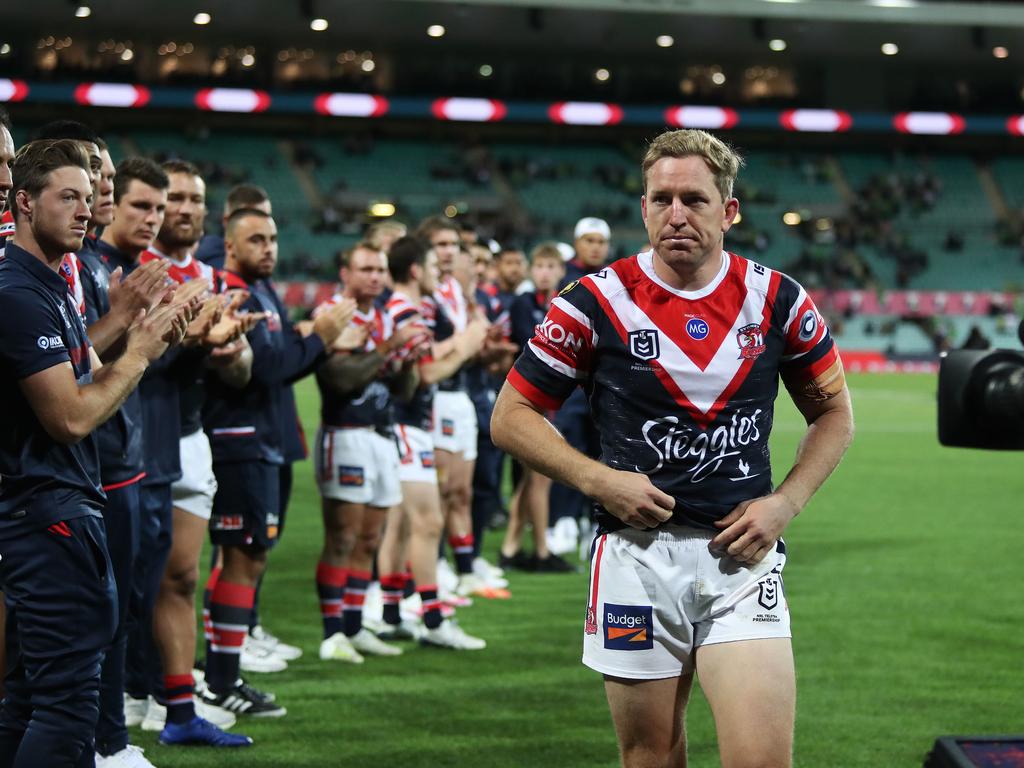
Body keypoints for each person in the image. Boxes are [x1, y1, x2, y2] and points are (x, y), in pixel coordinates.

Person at [491, 128, 854, 768]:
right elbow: (511, 416)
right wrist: (600, 480)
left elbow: (834, 416)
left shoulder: (777, 299)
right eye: (661, 199)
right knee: (651, 757)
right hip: (633, 562)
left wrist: (785, 504)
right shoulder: (591, 302)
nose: (676, 214)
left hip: (741, 561)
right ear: (643, 208)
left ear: (730, 210)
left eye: (694, 199)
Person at [0, 138, 189, 767]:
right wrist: (139, 350)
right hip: (45, 512)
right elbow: (71, 416)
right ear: (24, 202)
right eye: (69, 197)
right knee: (66, 708)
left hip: (47, 508)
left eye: (89, 197)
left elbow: (78, 369)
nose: (86, 211)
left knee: (28, 700)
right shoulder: (19, 293)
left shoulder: (44, 280)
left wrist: (133, 328)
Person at [202, 207, 353, 714]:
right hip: (240, 440)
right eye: (256, 239)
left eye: (272, 238)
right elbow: (268, 369)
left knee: (249, 557)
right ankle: (220, 680)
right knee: (240, 557)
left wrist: (308, 335)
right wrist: (320, 338)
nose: (269, 247)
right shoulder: (231, 290)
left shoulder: (260, 289)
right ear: (229, 244)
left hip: (261, 440)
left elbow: (277, 353)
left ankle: (223, 673)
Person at [312, 242, 426, 662]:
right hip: (345, 434)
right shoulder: (332, 314)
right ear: (345, 272)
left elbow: (402, 389)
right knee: (342, 536)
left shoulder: (380, 316)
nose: (375, 276)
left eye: (380, 269)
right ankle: (331, 633)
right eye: (365, 269)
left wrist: (408, 362)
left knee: (369, 538)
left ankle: (355, 627)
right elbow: (339, 379)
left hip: (382, 435)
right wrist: (386, 348)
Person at [377, 235, 487, 649]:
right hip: (405, 425)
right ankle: (433, 619)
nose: (437, 272)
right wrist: (464, 347)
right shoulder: (408, 310)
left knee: (403, 523)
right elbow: (424, 374)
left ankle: (390, 614)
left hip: (401, 426)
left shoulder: (400, 307)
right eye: (430, 264)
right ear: (414, 270)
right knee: (428, 521)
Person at [500, 242, 574, 573]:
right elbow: (526, 346)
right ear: (533, 271)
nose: (544, 272)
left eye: (550, 266)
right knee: (540, 477)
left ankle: (511, 545)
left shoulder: (566, 303)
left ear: (561, 270)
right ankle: (542, 551)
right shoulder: (522, 303)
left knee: (531, 480)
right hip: (528, 399)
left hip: (552, 401)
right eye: (539, 266)